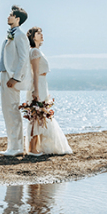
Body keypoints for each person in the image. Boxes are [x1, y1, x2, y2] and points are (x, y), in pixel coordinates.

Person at [25, 26, 72, 156]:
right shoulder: (34, 51)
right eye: (38, 33)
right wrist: (36, 91)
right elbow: (34, 72)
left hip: (42, 84)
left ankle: (35, 147)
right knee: (37, 115)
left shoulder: (38, 51)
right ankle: (32, 148)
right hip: (38, 84)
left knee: (41, 115)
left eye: (41, 33)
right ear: (32, 37)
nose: (41, 35)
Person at [0, 5, 32, 156]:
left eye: (11, 15)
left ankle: (17, 147)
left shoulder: (20, 35)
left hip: (12, 78)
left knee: (12, 111)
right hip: (5, 76)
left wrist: (15, 78)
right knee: (7, 111)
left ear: (17, 19)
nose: (8, 17)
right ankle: (11, 146)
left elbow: (24, 58)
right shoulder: (10, 34)